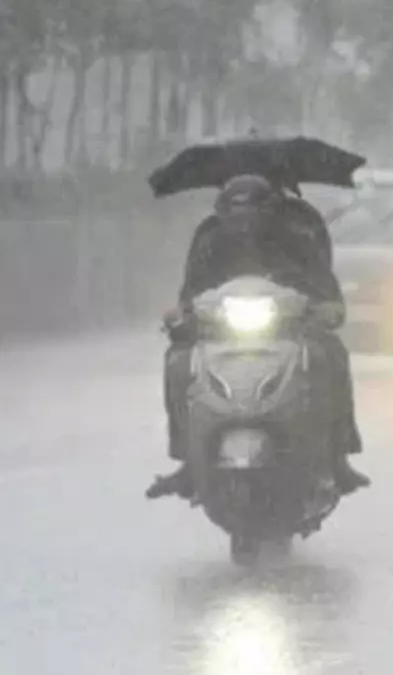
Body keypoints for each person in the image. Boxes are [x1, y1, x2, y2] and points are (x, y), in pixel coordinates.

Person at [146, 173, 370, 500]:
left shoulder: (297, 236)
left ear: (270, 210)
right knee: (178, 362)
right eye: (234, 211)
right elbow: (190, 293)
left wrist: (325, 310)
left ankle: (338, 455)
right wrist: (182, 317)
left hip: (289, 330)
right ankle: (187, 458)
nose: (244, 221)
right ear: (221, 211)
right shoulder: (209, 240)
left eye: (252, 211)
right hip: (221, 334)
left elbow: (325, 289)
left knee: (331, 355)